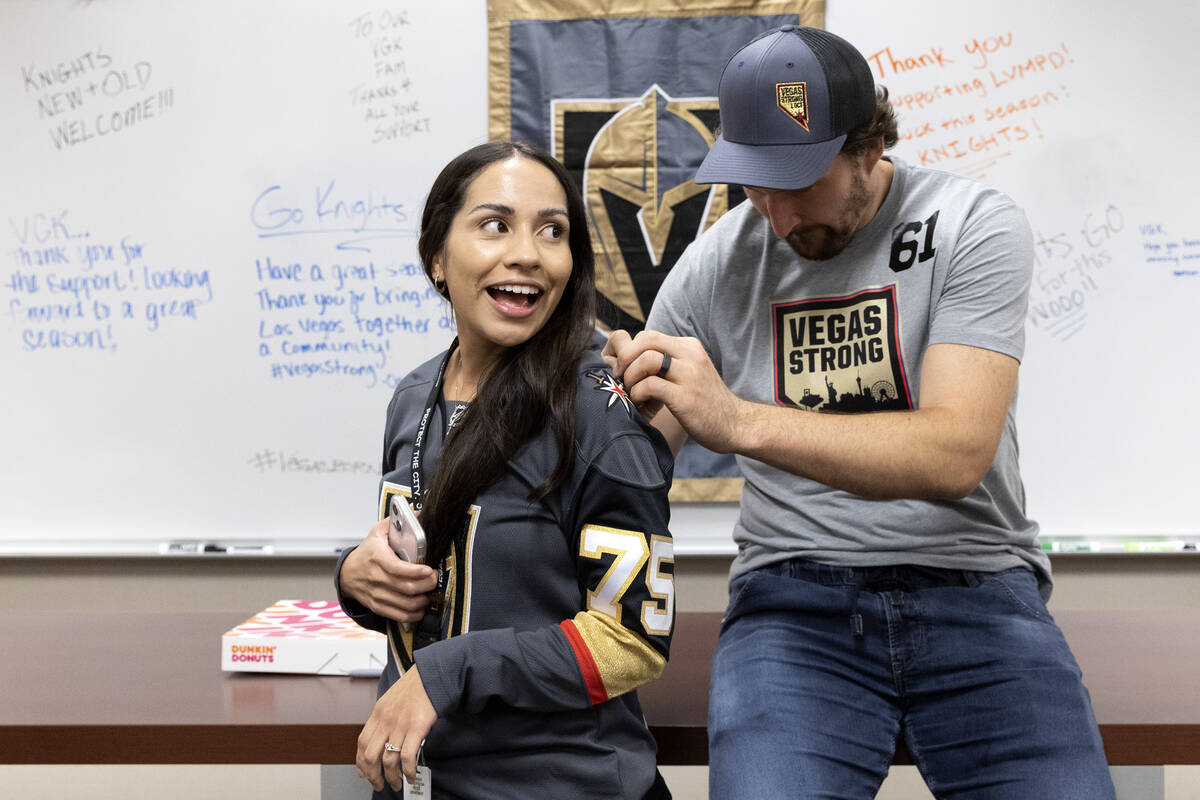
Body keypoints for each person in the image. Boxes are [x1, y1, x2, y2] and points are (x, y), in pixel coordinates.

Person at [605, 25, 1116, 799]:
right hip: (794, 606)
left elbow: (955, 454)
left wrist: (739, 419)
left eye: (796, 182)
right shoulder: (721, 260)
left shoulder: (970, 225)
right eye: (752, 183)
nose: (773, 217)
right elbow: (634, 450)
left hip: (976, 586)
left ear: (870, 147)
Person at [335, 141, 675, 799]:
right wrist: (356, 576)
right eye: (496, 225)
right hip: (423, 783)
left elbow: (633, 643)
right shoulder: (413, 395)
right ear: (437, 257)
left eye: (553, 231)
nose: (527, 252)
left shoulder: (599, 413)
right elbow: (437, 581)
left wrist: (449, 671)